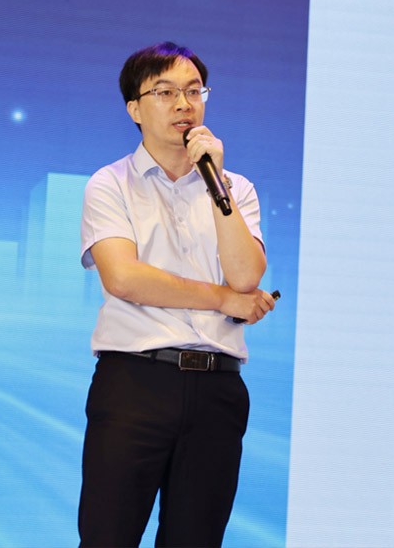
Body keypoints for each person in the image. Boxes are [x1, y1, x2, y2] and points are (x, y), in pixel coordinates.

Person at [78, 41, 276, 547]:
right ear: (135, 108)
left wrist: (217, 186)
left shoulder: (235, 188)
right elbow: (124, 278)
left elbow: (245, 276)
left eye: (194, 91)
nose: (184, 104)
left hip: (218, 390)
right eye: (165, 92)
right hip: (135, 382)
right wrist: (223, 300)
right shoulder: (110, 184)